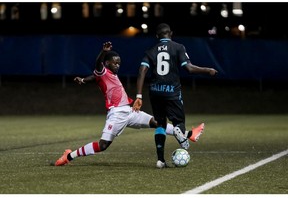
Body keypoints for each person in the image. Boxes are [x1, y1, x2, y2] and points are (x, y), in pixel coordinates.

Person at [54, 41, 196, 167]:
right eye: (115, 63)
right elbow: (98, 66)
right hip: (116, 113)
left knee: (157, 122)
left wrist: (84, 80)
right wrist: (103, 53)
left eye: (119, 63)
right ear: (107, 63)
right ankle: (69, 156)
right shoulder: (102, 70)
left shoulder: (108, 74)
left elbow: (95, 76)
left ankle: (187, 134)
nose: (117, 65)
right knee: (103, 145)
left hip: (129, 111)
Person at [132, 23, 218, 168]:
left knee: (160, 124)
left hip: (155, 91)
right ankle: (179, 131)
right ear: (170, 33)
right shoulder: (178, 47)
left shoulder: (150, 51)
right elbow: (189, 68)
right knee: (179, 121)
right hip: (172, 91)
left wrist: (139, 96)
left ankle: (160, 160)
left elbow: (142, 71)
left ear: (157, 36)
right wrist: (208, 70)